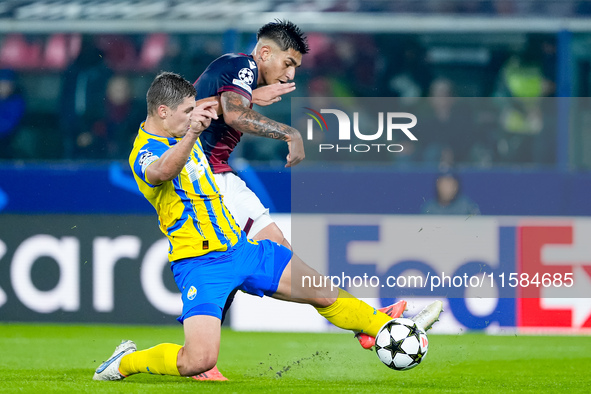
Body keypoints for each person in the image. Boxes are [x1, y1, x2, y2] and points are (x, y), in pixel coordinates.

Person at [92, 72, 443, 382]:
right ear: (163, 112)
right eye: (186, 112)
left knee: (321, 290)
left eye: (193, 112)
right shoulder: (145, 151)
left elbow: (221, 106)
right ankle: (126, 362)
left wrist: (249, 97)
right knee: (198, 360)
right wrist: (192, 133)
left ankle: (382, 329)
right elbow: (161, 172)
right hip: (200, 265)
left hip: (243, 250)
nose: (192, 118)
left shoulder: (182, 124)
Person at [193, 20, 306, 249]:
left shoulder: (243, 78)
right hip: (201, 175)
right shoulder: (243, 65)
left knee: (280, 250)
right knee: (274, 255)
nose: (291, 74)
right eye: (287, 63)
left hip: (216, 172)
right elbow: (235, 115)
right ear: (264, 53)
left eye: (295, 67)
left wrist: (251, 96)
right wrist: (290, 134)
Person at [0, 69, 26, 159]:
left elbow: (7, 126)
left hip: (6, 144)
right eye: (2, 83)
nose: (4, 87)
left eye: (8, 84)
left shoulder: (16, 102)